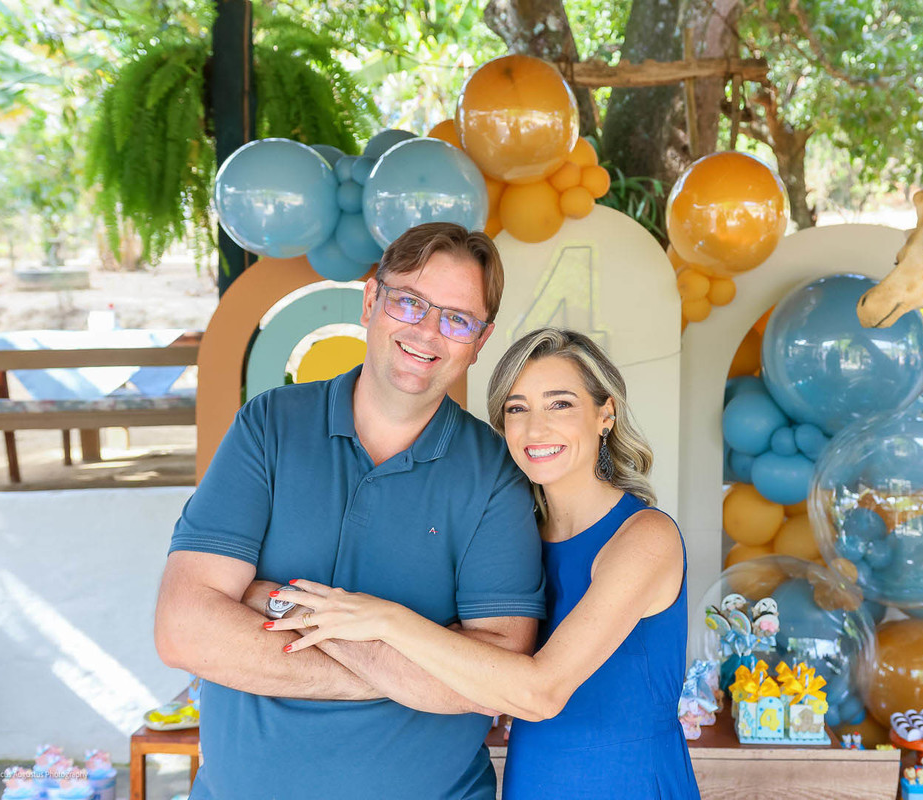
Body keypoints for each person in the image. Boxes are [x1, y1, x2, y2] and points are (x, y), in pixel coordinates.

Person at [154, 223, 546, 799]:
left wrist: (292, 608)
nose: (427, 331)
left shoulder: (495, 473)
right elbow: (183, 630)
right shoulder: (270, 426)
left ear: (480, 341)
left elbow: (497, 677)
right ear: (370, 301)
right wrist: (407, 670)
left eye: (457, 319)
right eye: (409, 302)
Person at [266, 328, 701, 799]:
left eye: (560, 404)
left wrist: (385, 619)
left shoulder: (645, 536)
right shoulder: (516, 537)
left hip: (630, 784)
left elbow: (541, 692)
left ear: (605, 415)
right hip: (533, 781)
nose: (536, 429)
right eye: (517, 408)